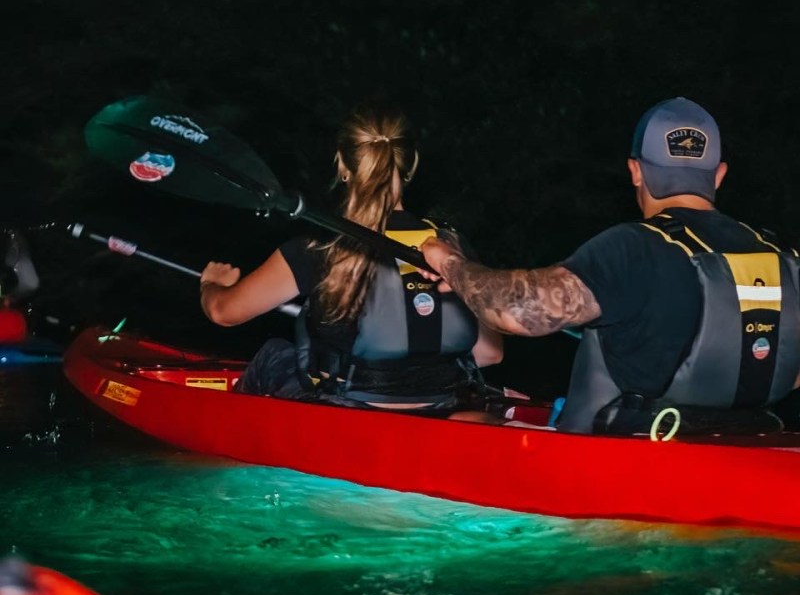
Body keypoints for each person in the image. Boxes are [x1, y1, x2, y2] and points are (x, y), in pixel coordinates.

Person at [421, 97, 800, 435]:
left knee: (464, 423)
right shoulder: (782, 258)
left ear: (636, 170)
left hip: (623, 468)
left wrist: (448, 261)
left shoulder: (633, 247)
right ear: (719, 175)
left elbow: (517, 311)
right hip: (753, 445)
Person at [199, 105, 503, 416]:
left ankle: (227, 430)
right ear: (411, 165)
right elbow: (490, 353)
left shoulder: (320, 247)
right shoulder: (452, 247)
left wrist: (211, 285)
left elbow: (224, 312)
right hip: (442, 406)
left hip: (349, 410)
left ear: (343, 165)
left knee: (274, 354)